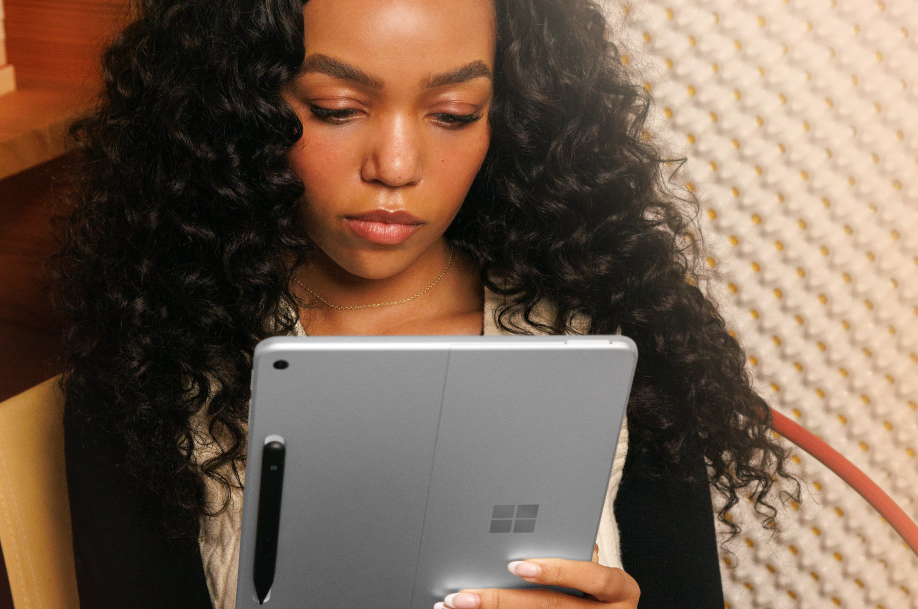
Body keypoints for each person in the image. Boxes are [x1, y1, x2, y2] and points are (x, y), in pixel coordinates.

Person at [53, 0, 798, 607]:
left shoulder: (608, 325)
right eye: (337, 107)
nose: (397, 166)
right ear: (238, 108)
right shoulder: (150, 355)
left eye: (452, 114)